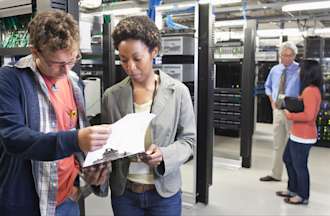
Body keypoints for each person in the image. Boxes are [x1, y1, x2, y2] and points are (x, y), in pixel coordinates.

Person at [0, 11, 111, 215]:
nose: (66, 70)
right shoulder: (10, 80)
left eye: (73, 59)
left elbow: (75, 137)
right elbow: (13, 138)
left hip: (68, 200)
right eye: (57, 63)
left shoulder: (75, 82)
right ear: (35, 52)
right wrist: (76, 140)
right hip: (28, 206)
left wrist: (89, 175)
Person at [101, 16, 196, 216]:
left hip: (164, 195)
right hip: (125, 195)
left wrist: (164, 156)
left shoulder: (178, 92)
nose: (130, 67)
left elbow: (189, 141)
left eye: (137, 59)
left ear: (154, 52)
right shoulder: (111, 96)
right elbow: (105, 146)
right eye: (124, 59)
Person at [276, 59, 322, 205]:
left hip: (303, 136)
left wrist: (290, 115)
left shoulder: (310, 91)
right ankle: (292, 189)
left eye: (301, 69)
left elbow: (309, 116)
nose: (299, 72)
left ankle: (302, 196)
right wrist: (292, 101)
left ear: (308, 72)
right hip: (297, 134)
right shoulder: (310, 90)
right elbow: (305, 106)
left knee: (299, 166)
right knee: (288, 159)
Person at [260, 41, 300, 182]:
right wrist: (271, 100)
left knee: (293, 145)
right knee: (277, 144)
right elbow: (268, 86)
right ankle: (275, 174)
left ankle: (293, 178)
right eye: (284, 55)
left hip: (292, 111)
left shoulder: (300, 70)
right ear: (280, 55)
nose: (287, 58)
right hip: (277, 110)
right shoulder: (275, 70)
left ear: (295, 55)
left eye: (290, 56)